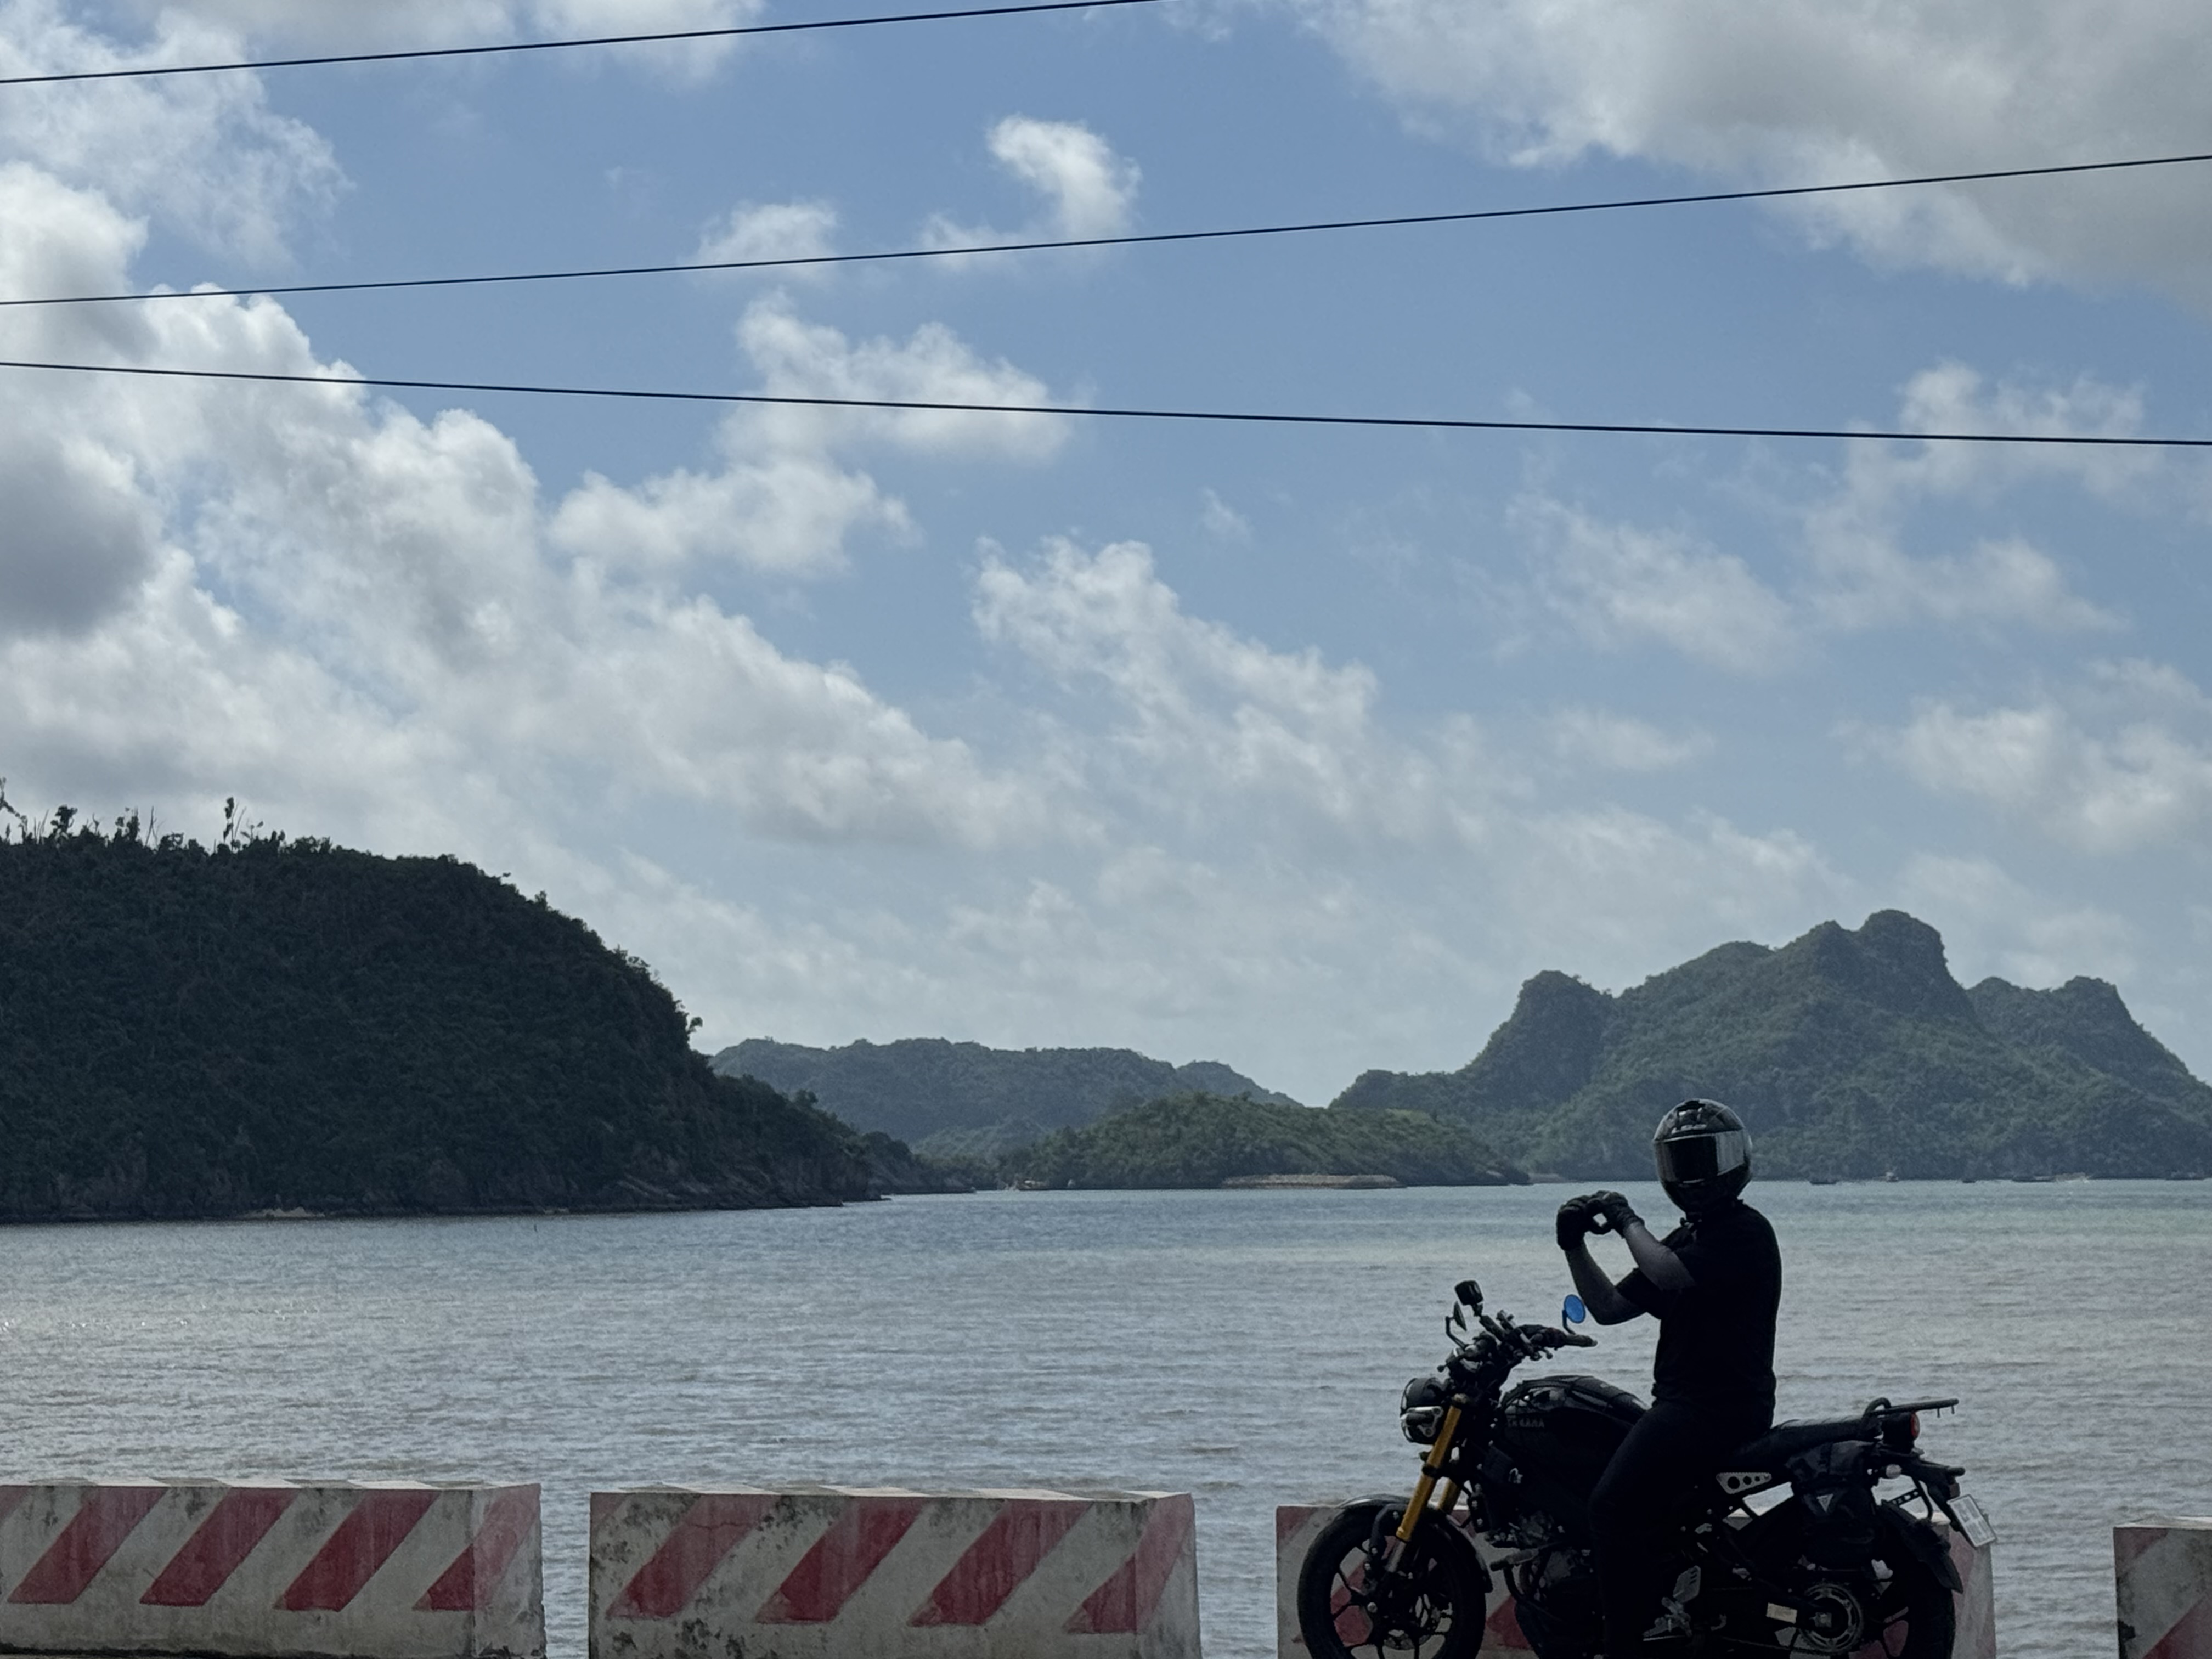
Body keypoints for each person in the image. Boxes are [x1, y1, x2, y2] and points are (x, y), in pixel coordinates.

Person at [1554, 1099, 1781, 1656]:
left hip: (1713, 1408)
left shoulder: (1743, 1231)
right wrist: (1573, 1245)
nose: (1696, 1174)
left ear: (1735, 1161)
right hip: (1691, 1408)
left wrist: (1626, 1220)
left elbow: (1668, 1274)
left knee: (1608, 1508)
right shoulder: (1687, 1238)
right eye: (1684, 1160)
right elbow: (1608, 1308)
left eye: (1706, 1158)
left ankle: (1623, 1644)